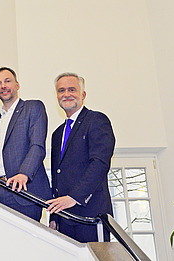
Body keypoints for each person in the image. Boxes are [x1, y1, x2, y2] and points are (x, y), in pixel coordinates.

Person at [46, 72, 115, 242]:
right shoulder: (57, 134)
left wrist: (74, 198)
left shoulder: (96, 120)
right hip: (64, 219)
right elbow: (57, 175)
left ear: (83, 95)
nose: (66, 94)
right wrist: (54, 217)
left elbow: (100, 163)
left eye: (72, 89)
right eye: (61, 91)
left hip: (90, 216)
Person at [0, 67, 51, 221]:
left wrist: (23, 174)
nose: (3, 86)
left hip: (22, 191)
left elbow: (37, 146)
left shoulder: (33, 108)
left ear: (17, 85)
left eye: (7, 81)